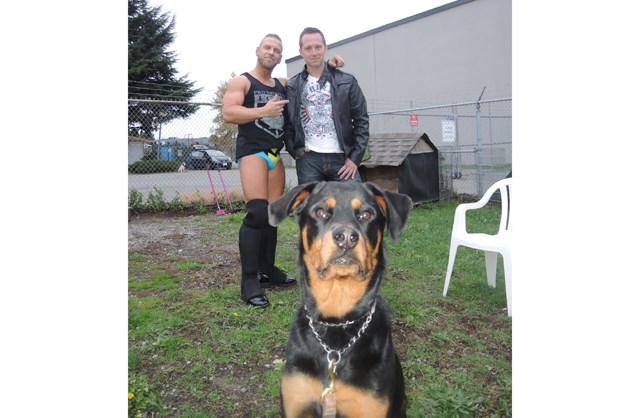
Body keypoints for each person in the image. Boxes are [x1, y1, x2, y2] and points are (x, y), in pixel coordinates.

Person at [222, 33, 344, 308]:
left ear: (280, 56)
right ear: (258, 50)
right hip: (253, 151)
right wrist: (262, 112)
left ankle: (267, 269)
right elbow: (229, 113)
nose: (272, 52)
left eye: (277, 50)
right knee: (255, 213)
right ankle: (249, 280)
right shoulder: (242, 81)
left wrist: (332, 64)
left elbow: (311, 76)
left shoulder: (284, 84)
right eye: (268, 47)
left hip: (275, 154)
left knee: (272, 214)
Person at [284, 27, 369, 184]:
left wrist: (354, 159)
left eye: (318, 47)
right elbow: (289, 123)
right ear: (301, 52)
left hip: (342, 158)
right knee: (311, 207)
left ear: (326, 48)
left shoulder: (347, 81)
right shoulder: (292, 85)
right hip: (308, 160)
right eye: (308, 48)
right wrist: (294, 150)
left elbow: (361, 120)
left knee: (352, 204)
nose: (314, 52)